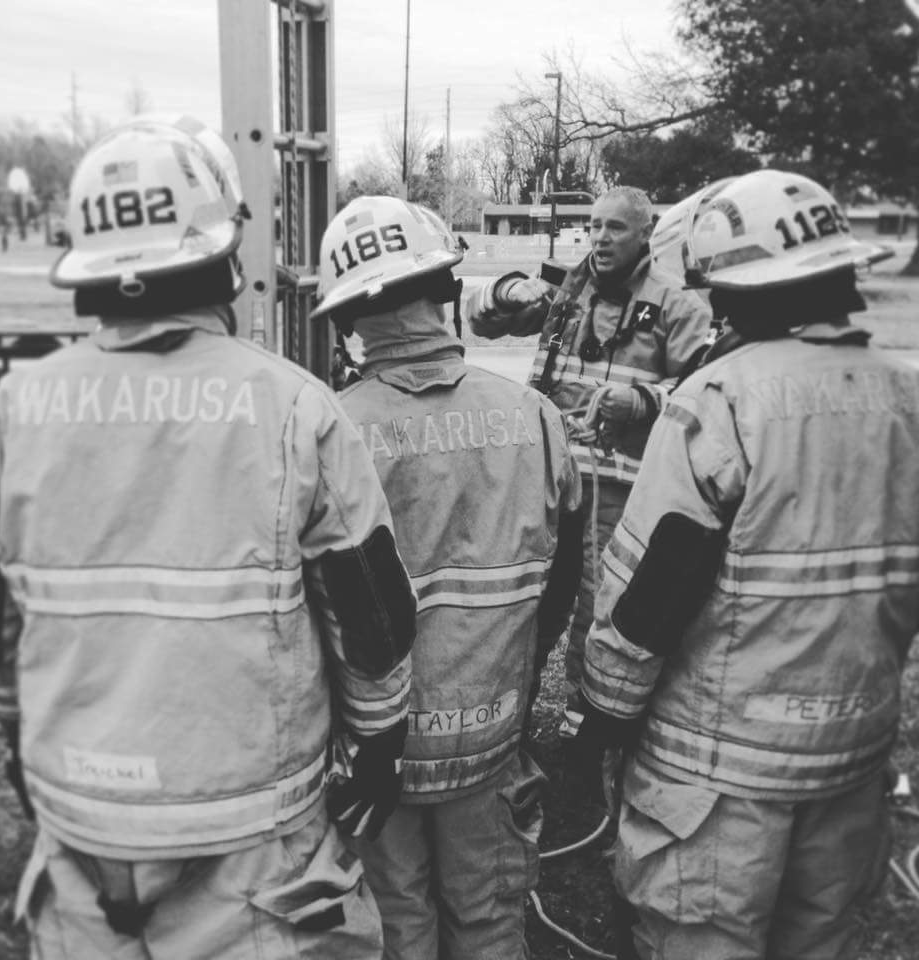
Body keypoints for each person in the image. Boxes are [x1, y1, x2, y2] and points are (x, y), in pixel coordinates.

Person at [0, 116, 417, 960]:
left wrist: (22, 752)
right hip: (254, 837)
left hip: (82, 826)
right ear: (224, 257)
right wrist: (379, 743)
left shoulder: (5, 417)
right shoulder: (294, 408)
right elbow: (373, 620)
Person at [575, 168, 919, 960]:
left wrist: (605, 714)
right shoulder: (905, 400)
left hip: (716, 783)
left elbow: (648, 594)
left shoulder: (722, 401)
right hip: (851, 766)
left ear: (733, 285)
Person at [311, 195, 583, 960]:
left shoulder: (329, 429)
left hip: (376, 756)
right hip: (490, 733)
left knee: (397, 924)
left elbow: (318, 607)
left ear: (345, 322)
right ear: (449, 294)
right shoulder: (533, 417)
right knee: (490, 918)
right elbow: (560, 588)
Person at [465, 185, 712, 741]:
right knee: (526, 605)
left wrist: (644, 401)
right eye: (595, 226)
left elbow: (710, 398)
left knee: (599, 613)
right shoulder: (564, 293)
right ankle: (509, 717)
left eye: (615, 228)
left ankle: (584, 732)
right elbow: (479, 322)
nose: (600, 237)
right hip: (547, 482)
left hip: (619, 498)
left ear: (645, 233)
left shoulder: (679, 307)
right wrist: (507, 288)